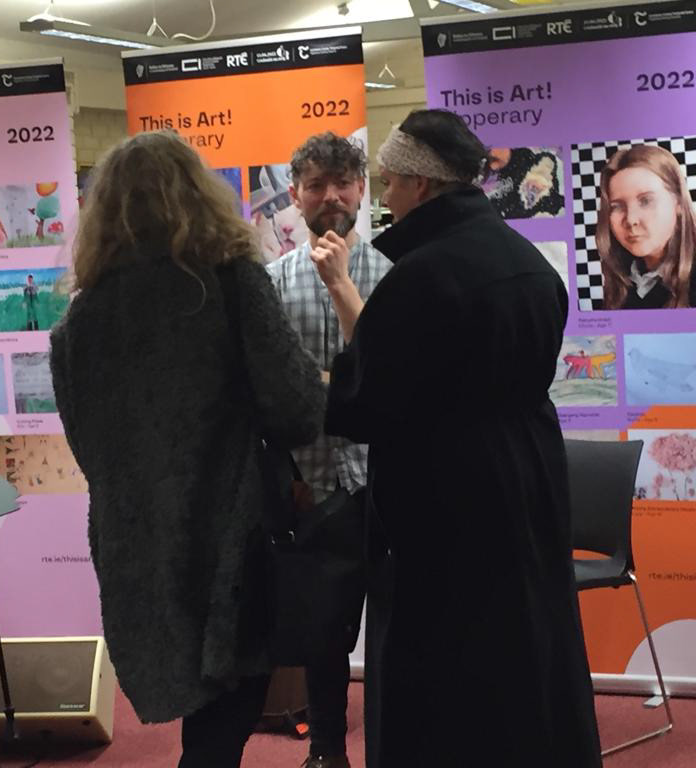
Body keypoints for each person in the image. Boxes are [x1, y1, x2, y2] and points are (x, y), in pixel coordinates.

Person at [324, 110, 602, 767]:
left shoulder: (422, 277)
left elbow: (370, 404)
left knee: (448, 670)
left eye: (390, 183)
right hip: (531, 477)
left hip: (445, 498)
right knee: (529, 643)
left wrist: (324, 382)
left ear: (421, 185)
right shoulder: (527, 262)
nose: (386, 198)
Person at [49, 131, 325, 768]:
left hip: (138, 541)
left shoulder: (79, 322)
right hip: (232, 533)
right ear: (200, 195)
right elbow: (297, 411)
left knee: (202, 715)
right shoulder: (230, 283)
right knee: (225, 716)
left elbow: (87, 448)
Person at [266, 132, 391, 768]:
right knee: (322, 635)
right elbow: (267, 389)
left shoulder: (395, 277)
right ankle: (326, 753)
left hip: (386, 481)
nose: (332, 196)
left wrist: (321, 382)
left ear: (362, 189)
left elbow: (390, 379)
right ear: (295, 195)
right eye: (316, 185)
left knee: (397, 630)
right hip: (309, 484)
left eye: (343, 183)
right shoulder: (270, 284)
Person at [596, 143, 696, 309]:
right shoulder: (621, 281)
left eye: (646, 201)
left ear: (678, 201)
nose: (631, 220)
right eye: (617, 206)